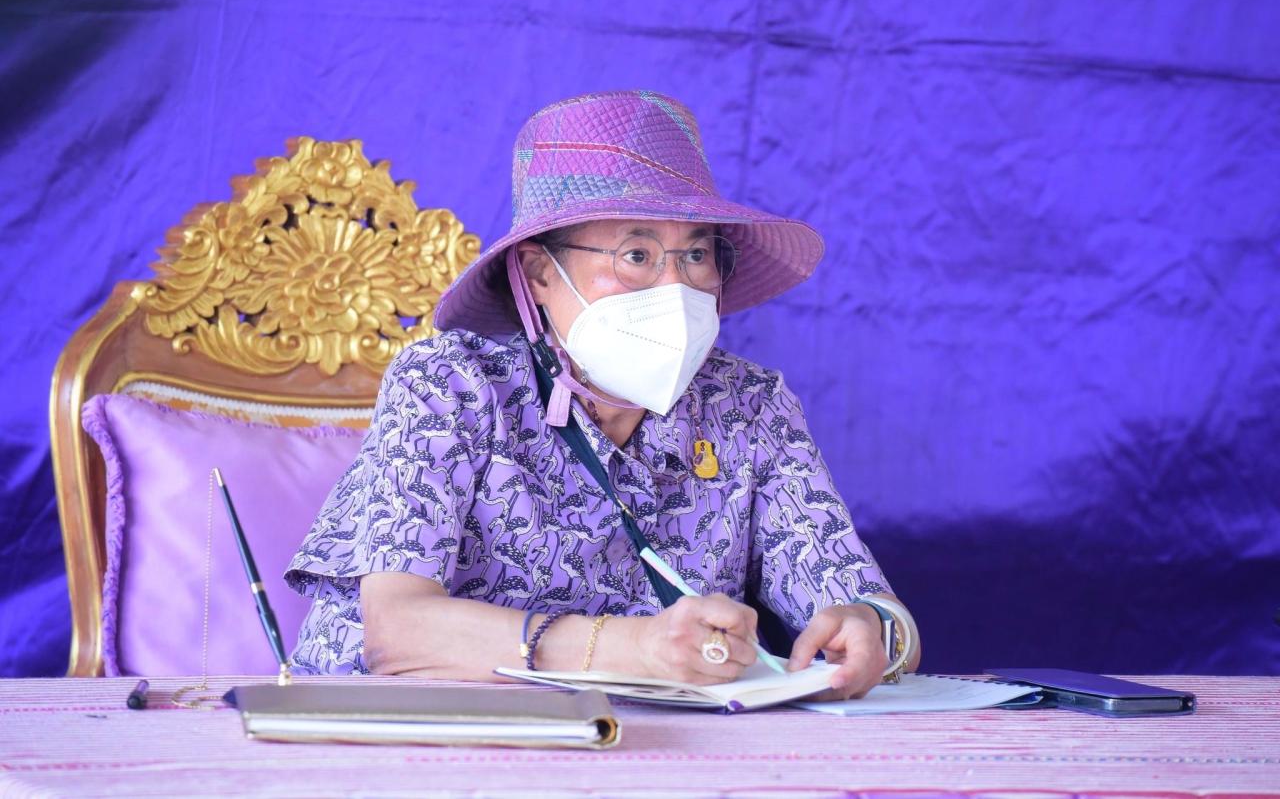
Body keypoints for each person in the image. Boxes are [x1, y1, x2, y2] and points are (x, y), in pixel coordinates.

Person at [285, 90, 921, 700]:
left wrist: (876, 630)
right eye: (637, 254)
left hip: (648, 744)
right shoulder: (450, 387)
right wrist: (635, 647)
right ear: (538, 273)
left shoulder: (749, 406)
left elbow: (863, 600)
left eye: (697, 254)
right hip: (404, 734)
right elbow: (399, 633)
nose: (675, 286)